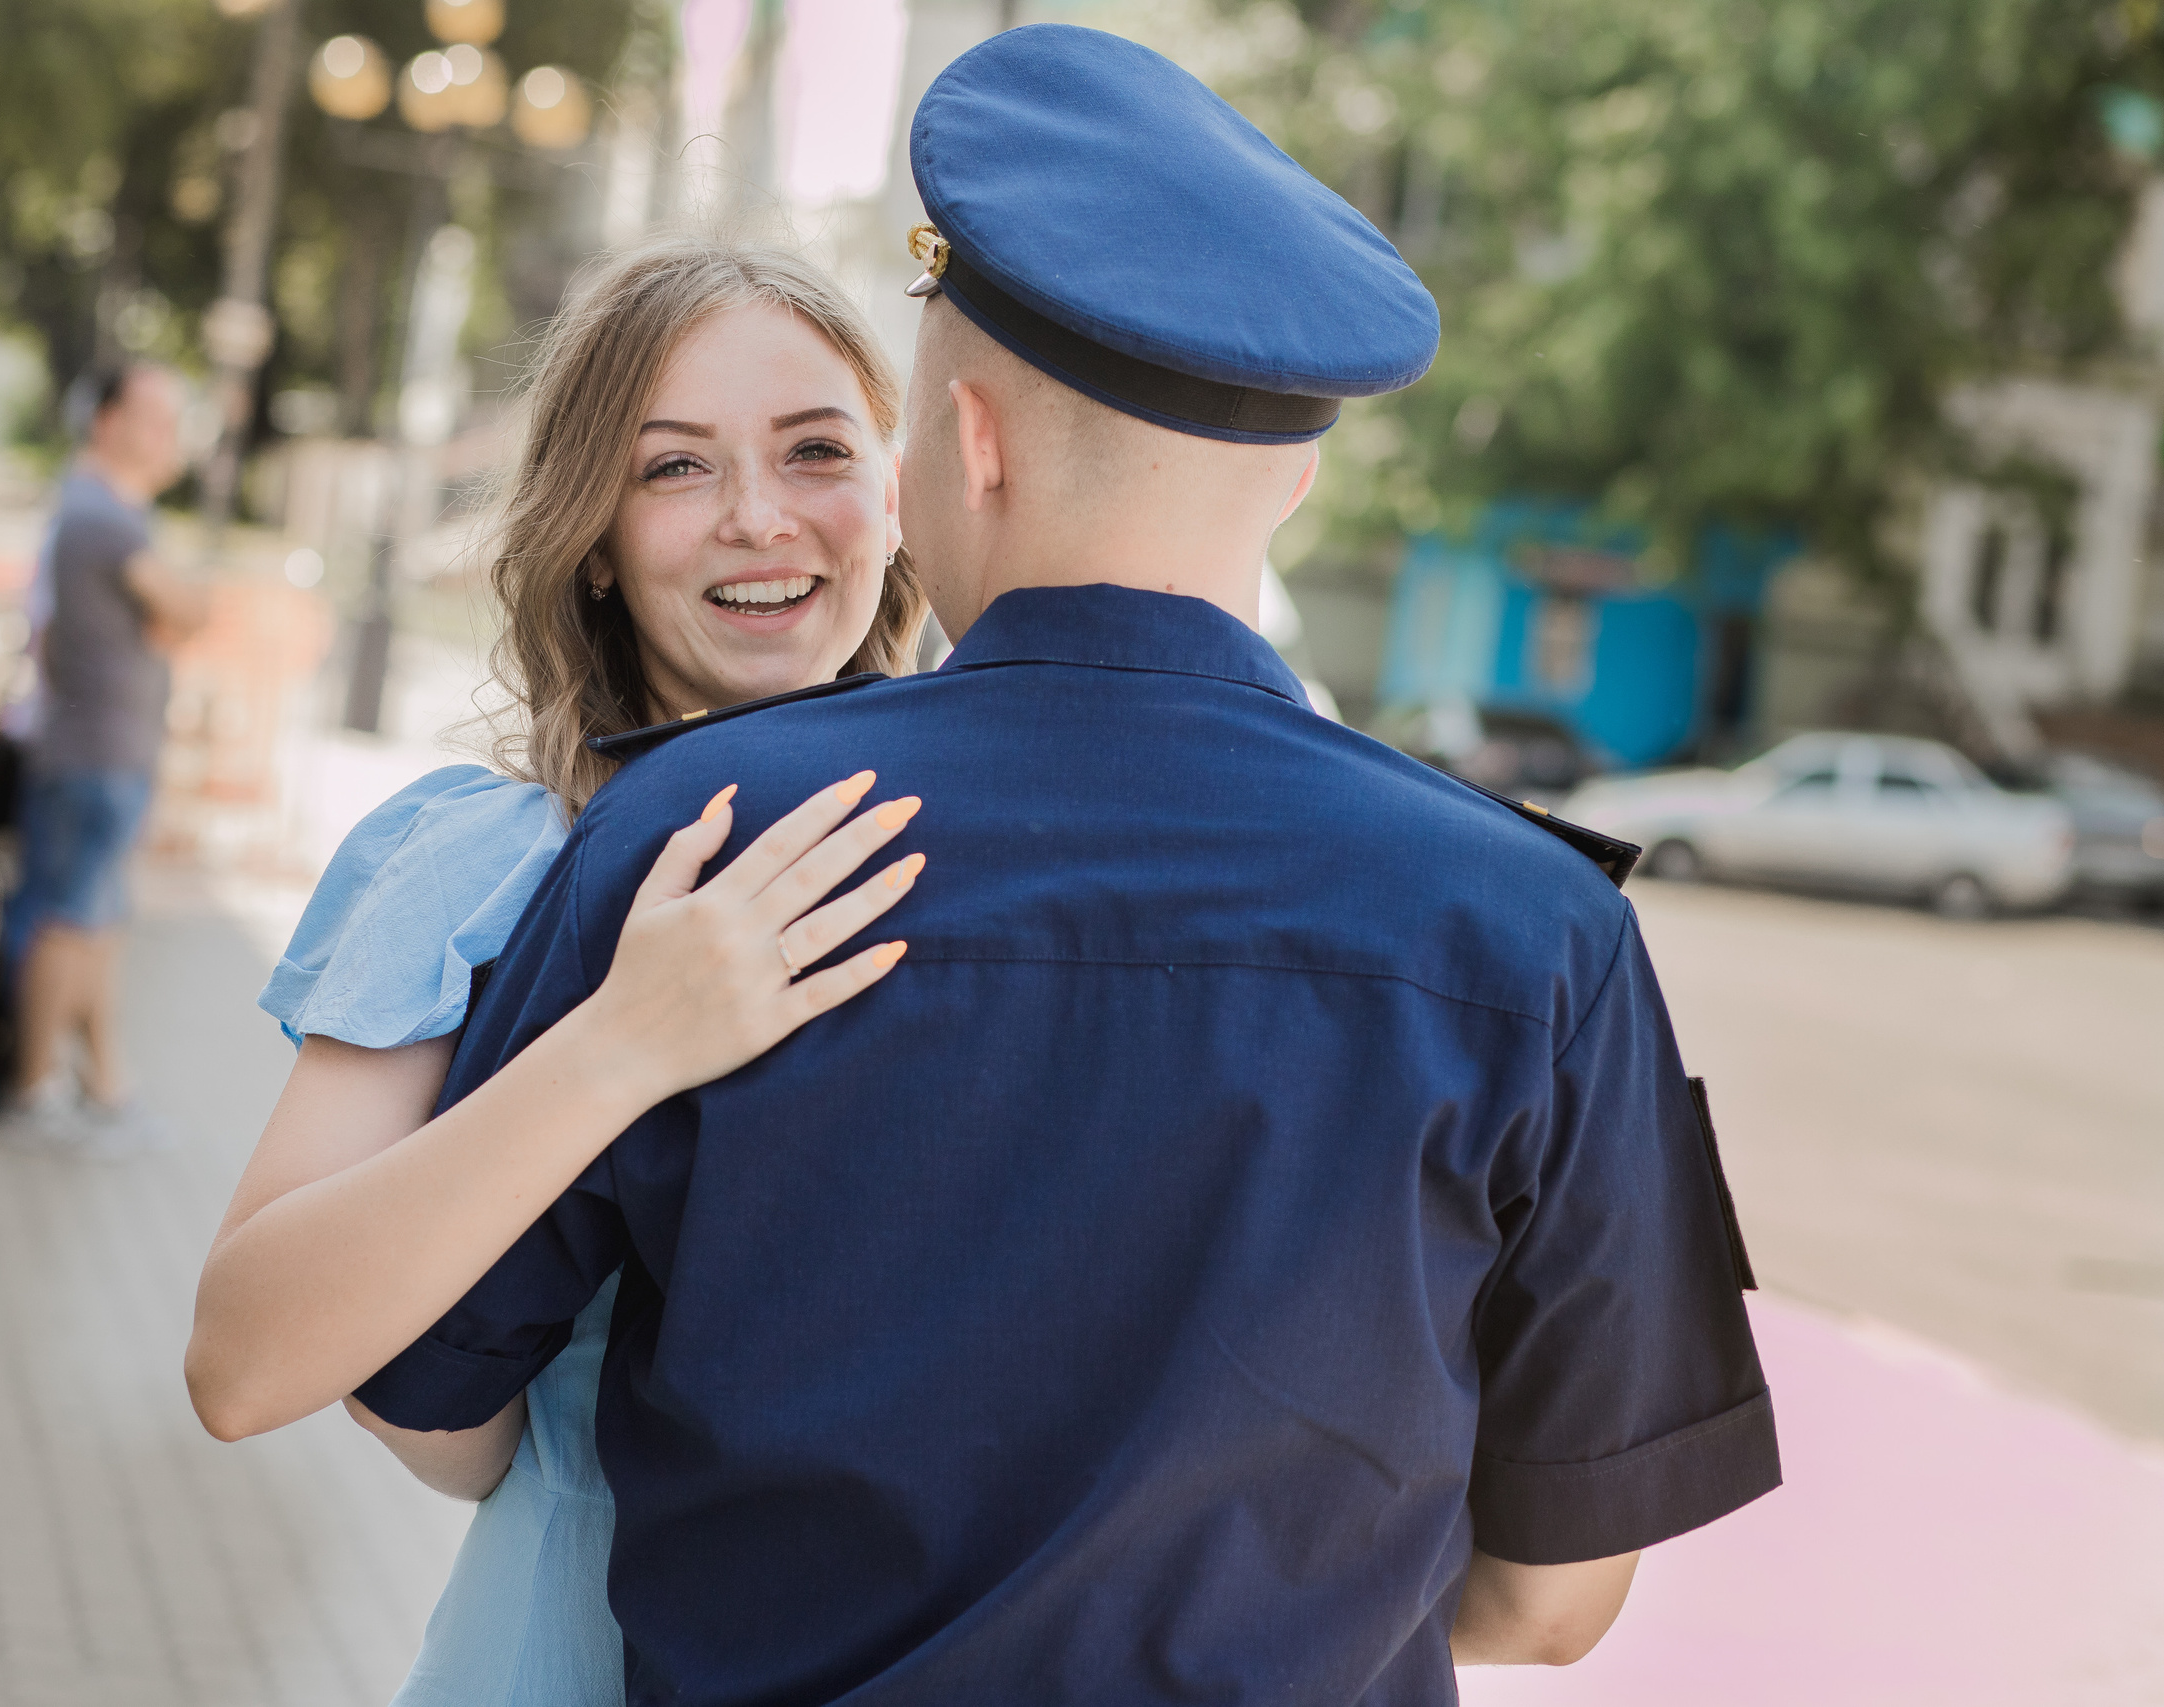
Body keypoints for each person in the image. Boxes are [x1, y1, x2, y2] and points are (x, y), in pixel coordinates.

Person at [345, 26, 1781, 1707]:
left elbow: (423, 1379)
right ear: (1298, 475)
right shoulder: (1542, 930)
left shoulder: (700, 834)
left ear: (968, 441)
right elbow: (1553, 1601)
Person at [185, 237, 930, 1705]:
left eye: (816, 450)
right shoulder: (490, 857)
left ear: (897, 498)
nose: (758, 516)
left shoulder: (983, 863)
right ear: (593, 536)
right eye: (675, 467)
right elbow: (245, 1359)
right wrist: (620, 1044)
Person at [2, 362, 212, 1150]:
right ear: (107, 421)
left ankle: (103, 1084)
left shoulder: (105, 511)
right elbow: (184, 609)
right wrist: (187, 603)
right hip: (94, 751)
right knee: (70, 919)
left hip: (107, 749)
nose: (170, 438)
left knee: (96, 920)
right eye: (154, 419)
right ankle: (35, 1087)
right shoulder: (103, 516)